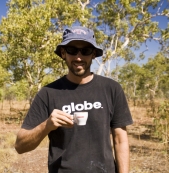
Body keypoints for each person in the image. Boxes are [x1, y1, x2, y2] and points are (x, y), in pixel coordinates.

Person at [15, 26, 133, 173]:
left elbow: (120, 139)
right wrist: (47, 125)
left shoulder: (111, 89)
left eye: (85, 51)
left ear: (93, 54)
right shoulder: (48, 93)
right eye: (72, 50)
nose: (79, 57)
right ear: (63, 53)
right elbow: (20, 146)